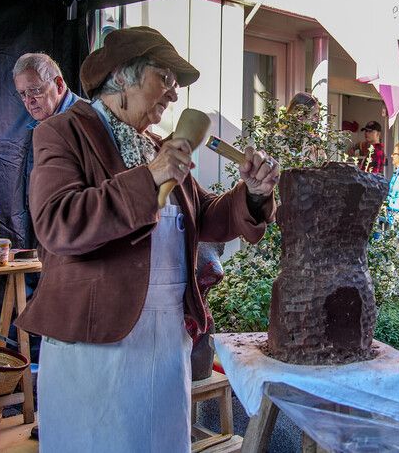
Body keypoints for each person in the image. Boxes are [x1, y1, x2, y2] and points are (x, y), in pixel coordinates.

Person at [14, 26, 279, 452]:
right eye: (165, 78)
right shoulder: (63, 133)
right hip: (95, 344)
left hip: (164, 343)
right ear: (122, 76)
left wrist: (253, 193)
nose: (173, 94)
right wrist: (150, 176)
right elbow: (58, 223)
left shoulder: (155, 145)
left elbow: (206, 217)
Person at [12, 53, 81, 250]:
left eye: (35, 90)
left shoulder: (85, 119)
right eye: (22, 94)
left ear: (59, 85)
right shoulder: (42, 125)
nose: (29, 100)